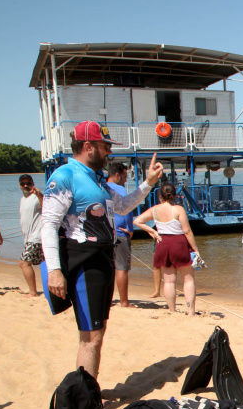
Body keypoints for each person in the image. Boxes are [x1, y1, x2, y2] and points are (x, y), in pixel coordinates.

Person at [40, 120, 163, 380]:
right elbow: (48, 225)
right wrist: (54, 271)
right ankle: (85, 399)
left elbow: (123, 207)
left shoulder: (98, 181)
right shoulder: (65, 176)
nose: (109, 152)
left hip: (104, 259)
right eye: (105, 146)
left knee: (98, 332)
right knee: (91, 337)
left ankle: (89, 391)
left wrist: (148, 183)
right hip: (84, 260)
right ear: (88, 146)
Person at [134, 182, 201, 316]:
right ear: (175, 195)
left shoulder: (155, 210)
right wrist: (196, 250)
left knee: (169, 281)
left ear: (160, 196)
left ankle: (172, 310)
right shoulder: (178, 209)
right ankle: (191, 311)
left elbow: (137, 221)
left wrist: (152, 231)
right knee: (188, 279)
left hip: (163, 243)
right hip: (179, 243)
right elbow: (187, 231)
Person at [106, 163, 133, 307]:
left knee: (108, 268)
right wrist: (130, 229)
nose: (126, 180)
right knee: (122, 268)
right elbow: (126, 209)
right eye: (124, 176)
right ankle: (124, 301)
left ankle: (107, 299)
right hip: (121, 232)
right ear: (117, 175)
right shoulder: (120, 189)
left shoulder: (102, 188)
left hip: (106, 232)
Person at [17, 174, 44, 297]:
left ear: (33, 184)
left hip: (36, 237)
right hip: (29, 237)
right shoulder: (23, 199)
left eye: (28, 183)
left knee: (24, 263)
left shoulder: (36, 197)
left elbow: (45, 204)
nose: (26, 186)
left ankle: (33, 292)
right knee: (45, 263)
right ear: (19, 185)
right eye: (23, 184)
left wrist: (39, 194)